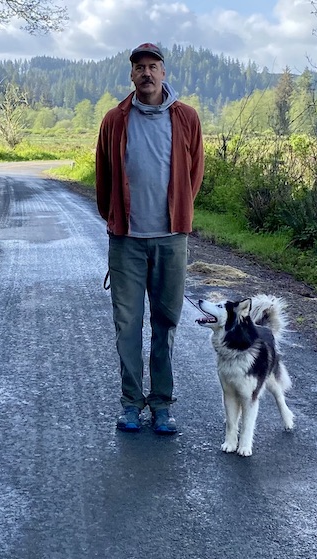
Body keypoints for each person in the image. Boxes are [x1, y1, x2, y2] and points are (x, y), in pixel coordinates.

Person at [95, 42, 204, 434]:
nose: (146, 73)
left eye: (152, 66)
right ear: (131, 75)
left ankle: (161, 405)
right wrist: (113, 219)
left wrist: (179, 213)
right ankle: (130, 404)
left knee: (166, 322)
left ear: (163, 72)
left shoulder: (186, 118)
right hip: (126, 239)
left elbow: (194, 174)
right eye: (139, 67)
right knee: (127, 324)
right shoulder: (115, 119)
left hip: (171, 239)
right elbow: (103, 176)